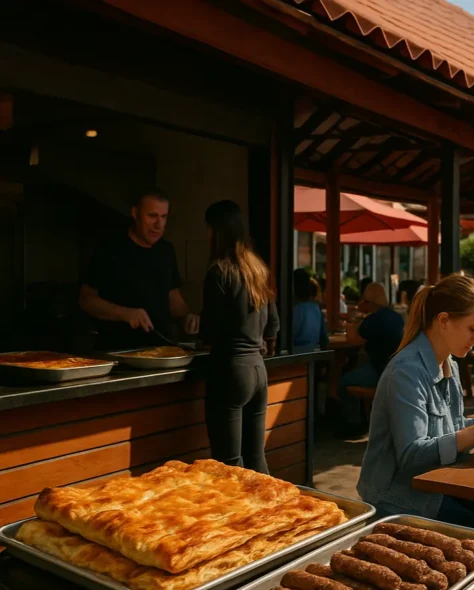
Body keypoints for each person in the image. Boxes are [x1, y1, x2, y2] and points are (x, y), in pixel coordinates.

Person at [356, 275, 474, 537]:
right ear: (443, 321)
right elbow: (411, 457)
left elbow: (451, 429)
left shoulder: (448, 362)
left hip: (438, 485)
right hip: (398, 499)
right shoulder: (406, 371)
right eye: (472, 329)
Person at [200, 200, 280, 472]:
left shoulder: (219, 272)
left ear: (218, 231)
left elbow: (209, 332)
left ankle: (242, 515)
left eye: (210, 229)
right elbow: (273, 324)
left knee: (229, 463)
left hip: (230, 371)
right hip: (258, 371)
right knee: (256, 458)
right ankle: (274, 510)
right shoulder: (257, 269)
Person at [80, 189, 199, 349]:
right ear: (135, 214)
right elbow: (86, 300)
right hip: (119, 350)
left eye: (163, 217)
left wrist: (187, 315)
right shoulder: (110, 248)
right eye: (152, 216)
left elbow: (172, 296)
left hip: (161, 348)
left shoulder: (166, 250)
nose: (158, 225)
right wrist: (126, 313)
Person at [339, 282, 404, 432]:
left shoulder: (373, 320)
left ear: (369, 302)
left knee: (344, 382)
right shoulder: (396, 317)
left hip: (380, 371)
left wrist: (352, 321)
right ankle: (366, 418)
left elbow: (354, 340)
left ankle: (353, 424)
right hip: (397, 370)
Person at [292, 269, 329, 354]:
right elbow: (324, 339)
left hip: (295, 357)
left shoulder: (297, 310)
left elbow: (289, 337)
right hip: (312, 355)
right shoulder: (315, 308)